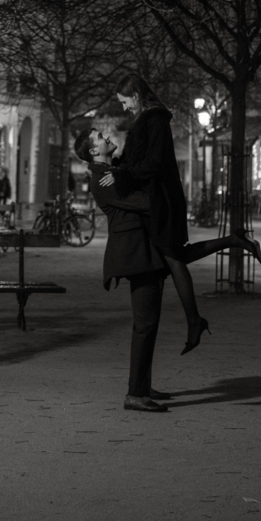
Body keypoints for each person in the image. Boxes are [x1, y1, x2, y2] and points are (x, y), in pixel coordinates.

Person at [103, 73, 261, 358]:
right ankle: (233, 242)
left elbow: (153, 162)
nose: (124, 107)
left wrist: (122, 172)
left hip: (161, 202)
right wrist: (117, 166)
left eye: (125, 101)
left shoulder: (156, 120)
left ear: (137, 96)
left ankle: (194, 320)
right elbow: (136, 159)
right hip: (157, 200)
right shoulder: (145, 120)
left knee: (174, 259)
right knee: (176, 256)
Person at [76, 128, 170, 412]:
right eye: (100, 137)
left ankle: (142, 384)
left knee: (148, 322)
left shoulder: (113, 170)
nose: (106, 136)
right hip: (136, 255)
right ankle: (136, 393)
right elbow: (145, 202)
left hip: (142, 251)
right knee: (144, 323)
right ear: (94, 152)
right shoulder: (104, 179)